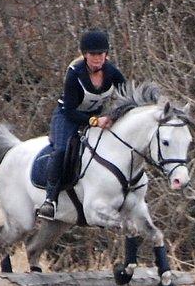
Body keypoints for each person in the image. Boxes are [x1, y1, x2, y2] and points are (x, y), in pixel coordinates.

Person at [36, 29, 127, 220]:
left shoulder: (112, 73)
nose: (97, 58)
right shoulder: (74, 74)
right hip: (67, 117)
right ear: (85, 55)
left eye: (100, 54)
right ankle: (50, 200)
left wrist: (114, 115)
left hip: (96, 117)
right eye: (93, 54)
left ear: (106, 54)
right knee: (61, 150)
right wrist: (94, 121)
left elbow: (126, 97)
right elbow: (70, 110)